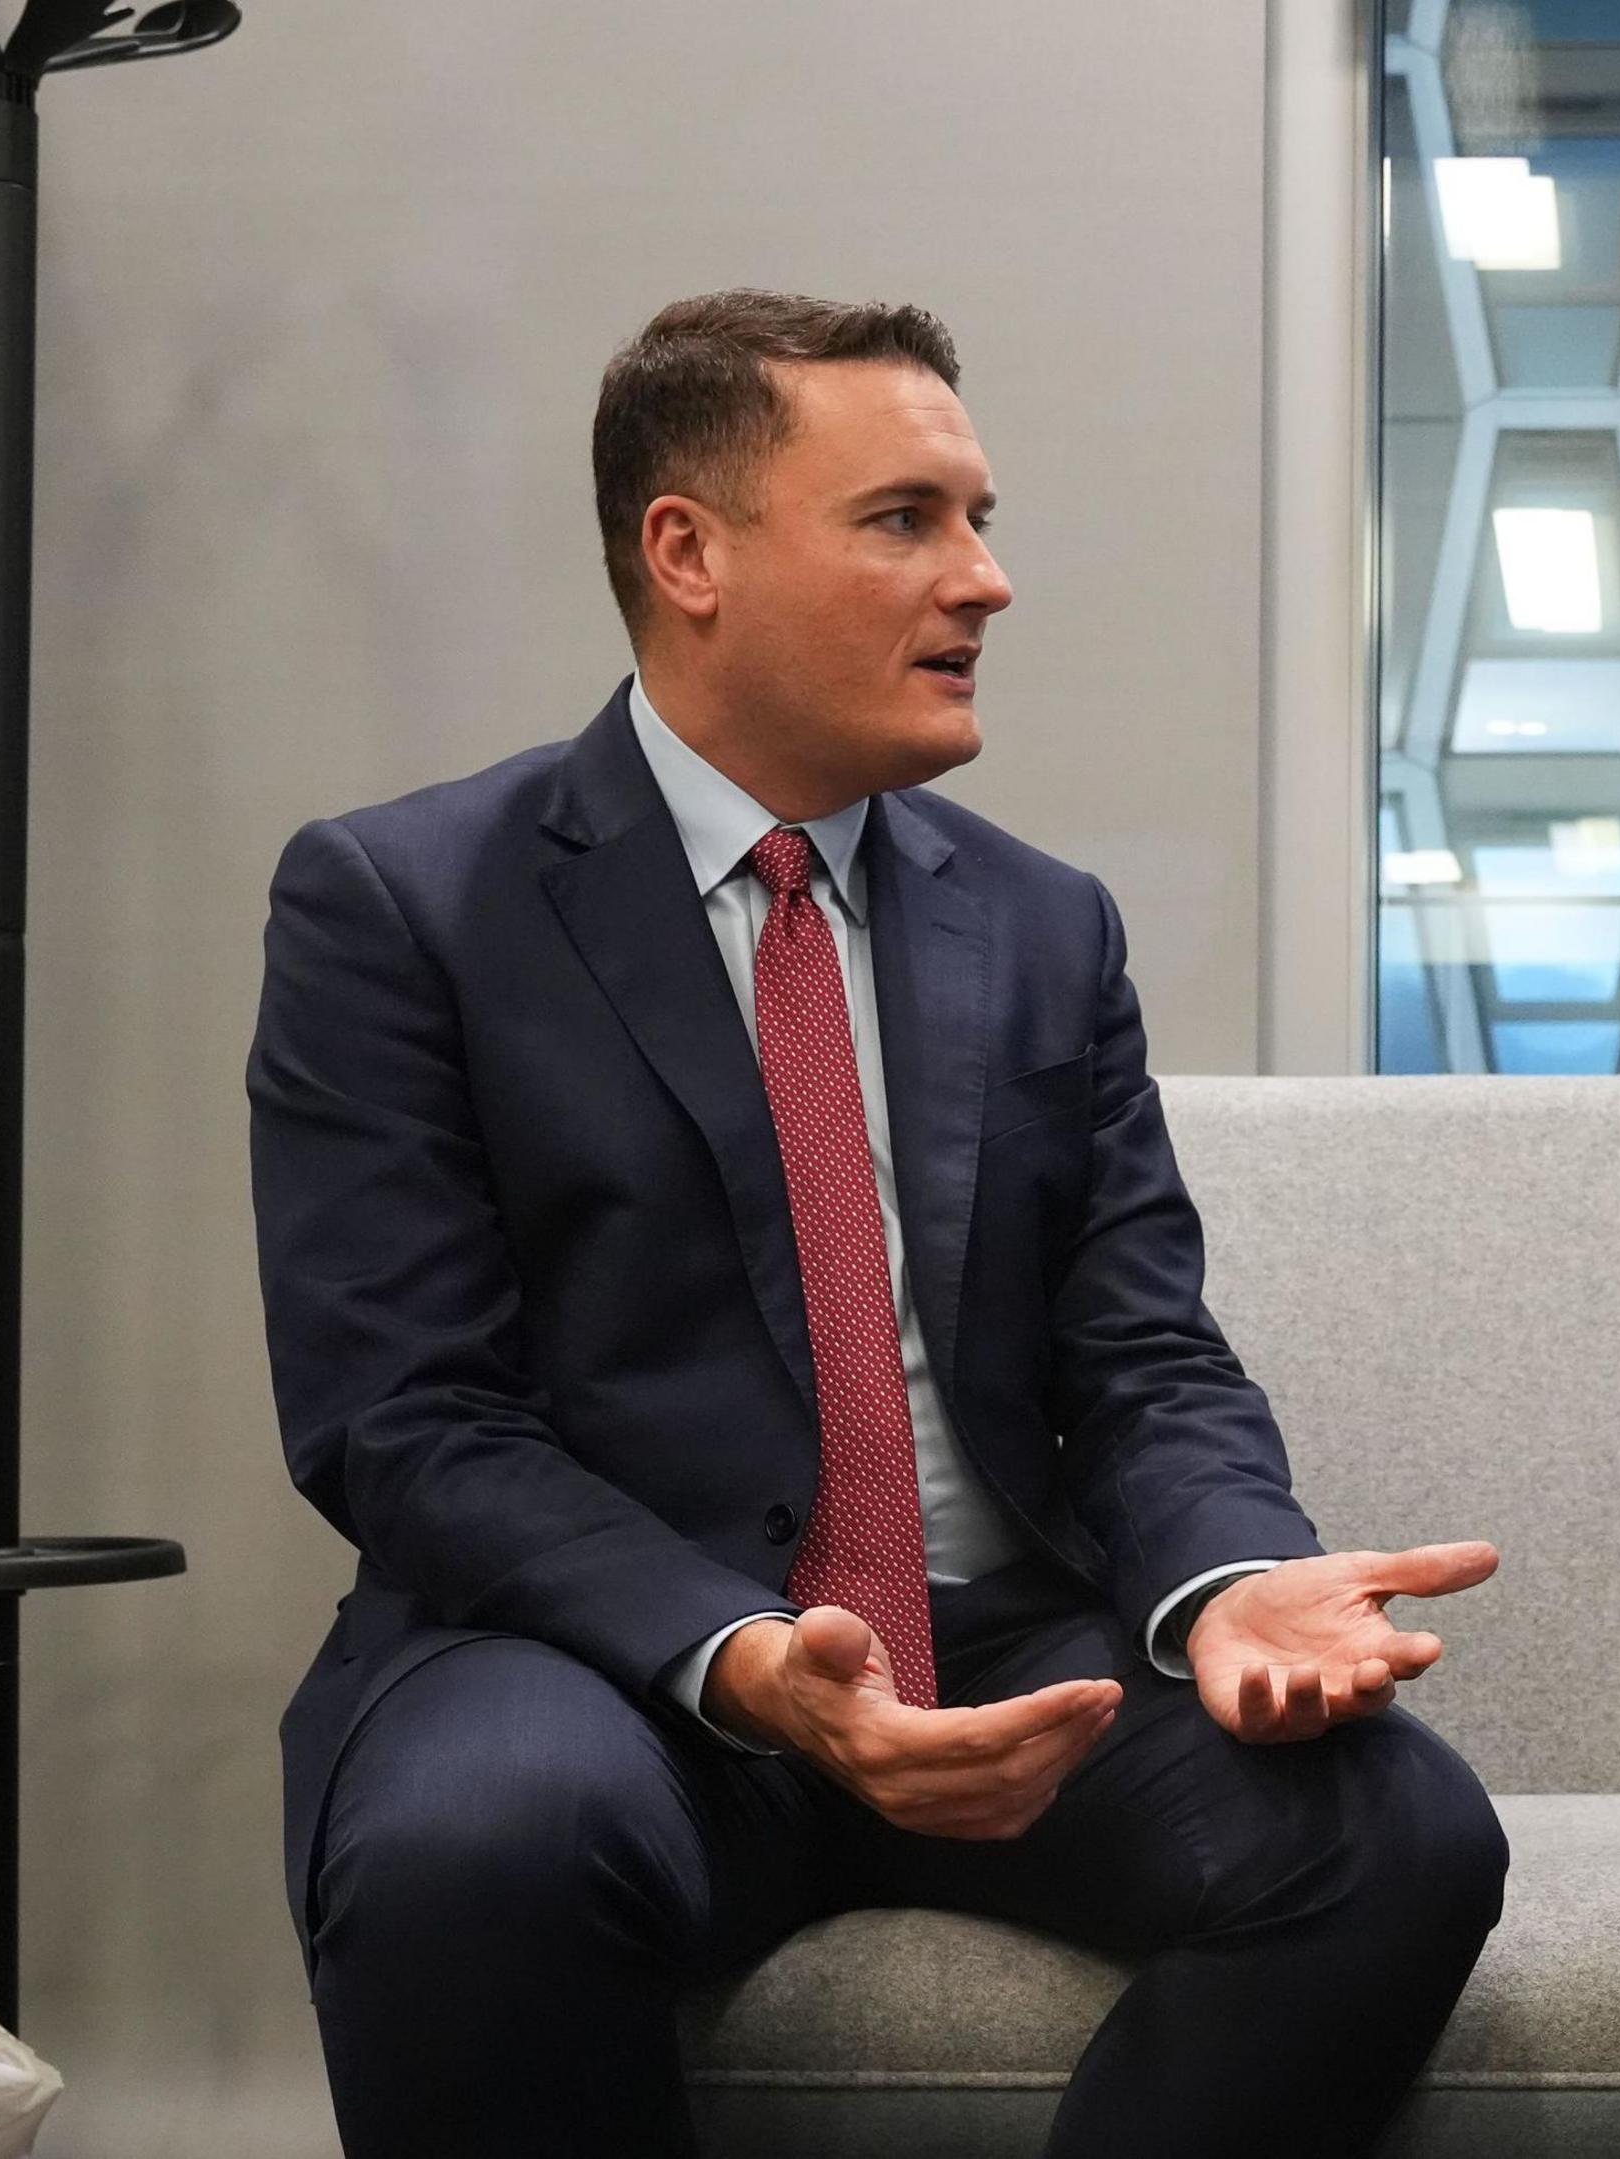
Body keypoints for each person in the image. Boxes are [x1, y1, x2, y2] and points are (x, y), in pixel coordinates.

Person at [249, 289, 1507, 2159]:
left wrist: (1232, 1576)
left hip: (1000, 1637)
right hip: (606, 1659)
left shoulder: (1045, 923)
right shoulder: (408, 901)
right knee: (472, 1845)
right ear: (690, 552)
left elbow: (1143, 1349)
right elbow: (409, 1419)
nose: (984, 579)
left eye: (978, 518)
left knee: (1400, 1834)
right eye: (907, 519)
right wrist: (750, 1654)